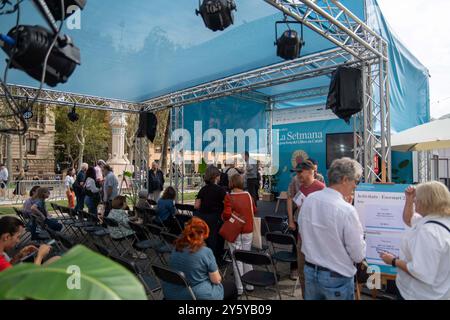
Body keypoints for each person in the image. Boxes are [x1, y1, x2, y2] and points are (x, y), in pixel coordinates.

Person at [298, 157, 365, 300]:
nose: (356, 186)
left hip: (310, 271)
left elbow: (302, 231)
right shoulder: (346, 210)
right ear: (345, 179)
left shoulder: (310, 199)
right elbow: (358, 254)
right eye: (356, 181)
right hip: (337, 276)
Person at [379, 182, 450, 300]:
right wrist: (409, 199)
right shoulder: (440, 220)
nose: (415, 201)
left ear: (426, 202)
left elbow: (421, 272)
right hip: (440, 292)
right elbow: (409, 219)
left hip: (419, 294)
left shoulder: (428, 232)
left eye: (417, 198)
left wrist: (393, 261)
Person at [164, 217, 238, 300]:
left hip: (172, 292)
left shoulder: (176, 247)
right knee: (231, 287)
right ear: (202, 234)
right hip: (195, 294)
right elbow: (216, 280)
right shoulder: (205, 251)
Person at [287, 160, 326, 285]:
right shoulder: (302, 188)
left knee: (315, 277)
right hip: (302, 238)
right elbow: (296, 205)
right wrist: (292, 219)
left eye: (300, 172)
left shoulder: (321, 188)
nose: (298, 175)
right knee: (303, 275)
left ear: (311, 171)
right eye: (297, 172)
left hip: (316, 241)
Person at [222, 174, 256, 296]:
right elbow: (255, 210)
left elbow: (226, 215)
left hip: (234, 231)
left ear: (231, 183)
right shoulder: (248, 195)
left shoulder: (228, 197)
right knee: (247, 257)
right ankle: (250, 284)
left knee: (237, 260)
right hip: (248, 230)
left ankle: (240, 287)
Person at [194, 165, 226, 264]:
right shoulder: (220, 190)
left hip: (202, 217)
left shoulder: (203, 189)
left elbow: (196, 206)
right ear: (216, 176)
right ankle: (215, 261)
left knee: (206, 240)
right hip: (215, 218)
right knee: (215, 241)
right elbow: (227, 204)